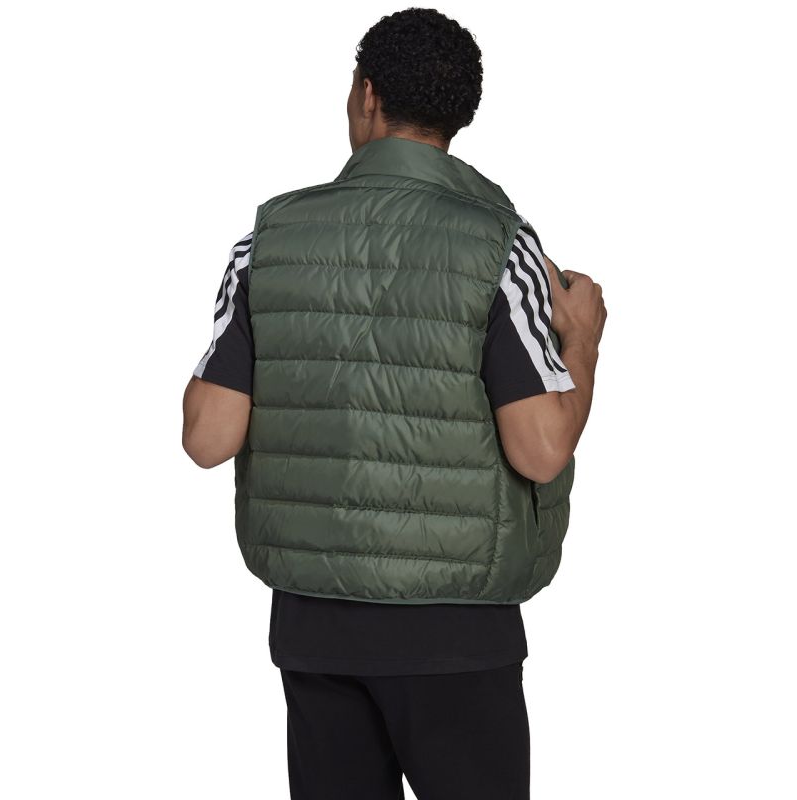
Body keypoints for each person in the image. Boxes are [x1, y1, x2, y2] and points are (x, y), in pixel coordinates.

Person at [182, 8, 606, 799]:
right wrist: (580, 341)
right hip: (457, 630)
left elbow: (208, 437)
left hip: (313, 625)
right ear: (457, 115)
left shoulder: (267, 242)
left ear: (367, 95)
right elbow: (542, 448)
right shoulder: (500, 244)